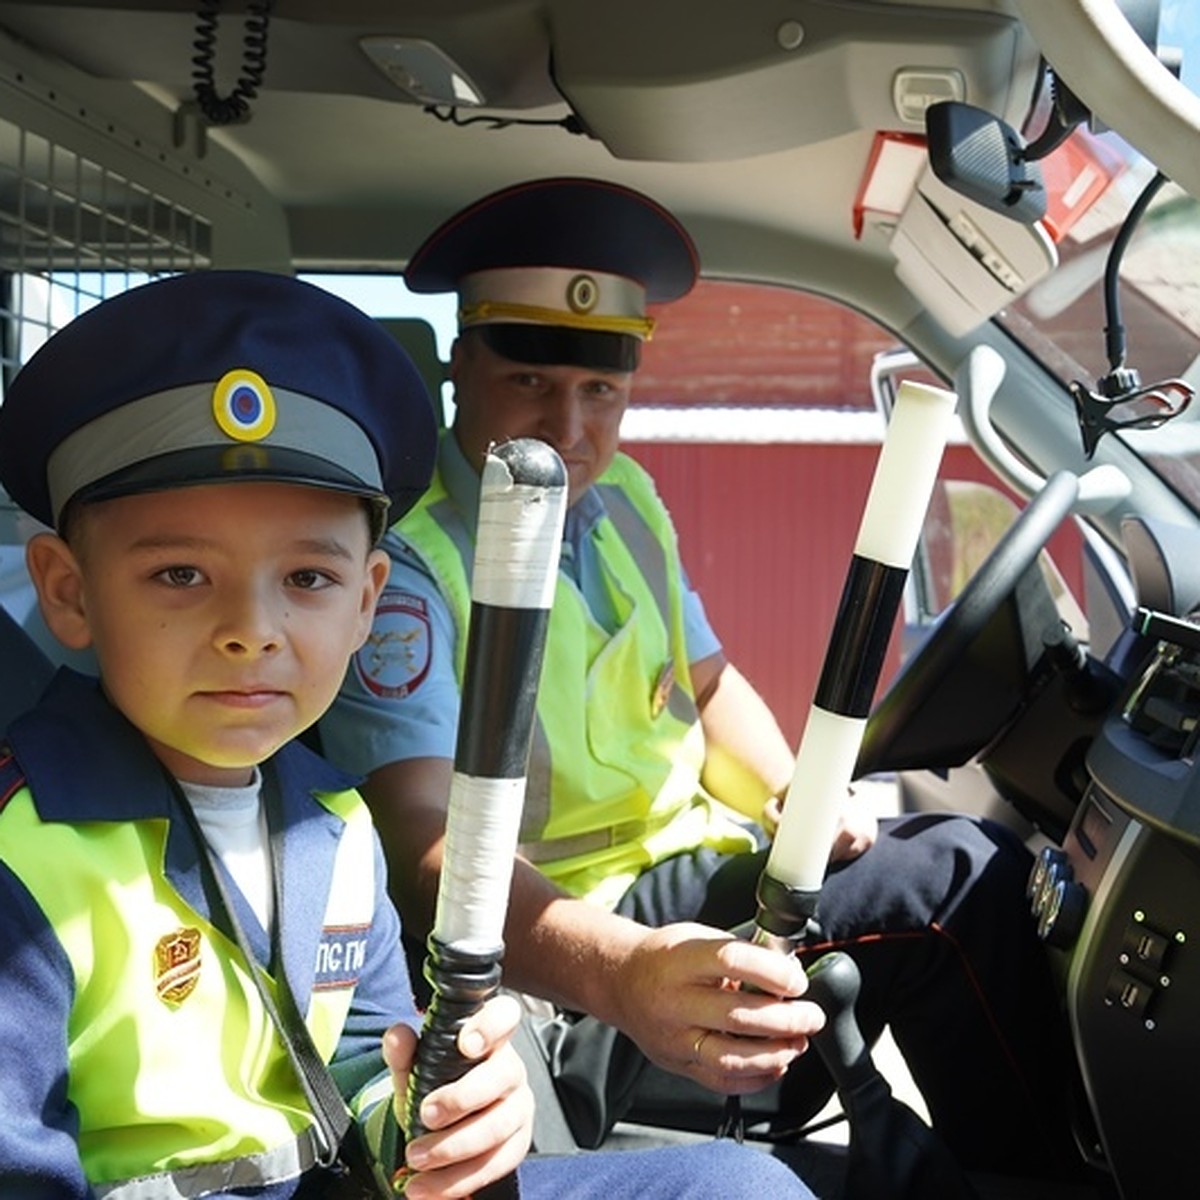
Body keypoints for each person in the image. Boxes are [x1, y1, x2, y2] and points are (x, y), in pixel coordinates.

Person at [321, 177, 1086, 1183]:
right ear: (463, 364)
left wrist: (790, 799)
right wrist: (626, 970)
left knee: (953, 866)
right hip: (559, 952)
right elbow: (428, 858)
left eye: (601, 391)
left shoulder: (625, 496)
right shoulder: (408, 571)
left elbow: (713, 686)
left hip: (688, 871)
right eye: (530, 382)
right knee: (947, 882)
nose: (571, 428)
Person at [0, 270, 819, 1200]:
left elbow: (356, 1071)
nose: (252, 628)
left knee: (744, 1186)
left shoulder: (331, 825)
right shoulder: (25, 853)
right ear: (68, 591)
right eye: (181, 575)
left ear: (366, 603)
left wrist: (438, 1121)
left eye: (307, 579)